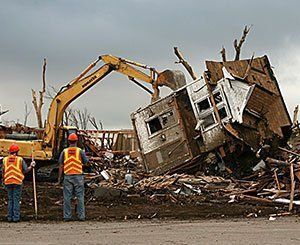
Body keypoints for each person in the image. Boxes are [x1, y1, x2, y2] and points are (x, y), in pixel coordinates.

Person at [57, 133, 88, 221]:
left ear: (68, 141)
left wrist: (59, 179)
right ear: (77, 141)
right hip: (78, 176)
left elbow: (61, 165)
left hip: (68, 176)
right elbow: (85, 162)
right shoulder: (80, 151)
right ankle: (81, 216)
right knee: (80, 197)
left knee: (67, 197)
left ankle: (67, 216)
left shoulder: (64, 151)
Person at [1, 143, 35, 222]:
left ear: (10, 152)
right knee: (16, 199)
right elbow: (26, 170)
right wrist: (31, 165)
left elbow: (3, 171)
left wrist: (3, 179)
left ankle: (9, 217)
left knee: (10, 199)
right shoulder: (20, 159)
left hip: (8, 181)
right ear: (17, 151)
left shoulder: (5, 159)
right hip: (17, 182)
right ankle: (16, 218)